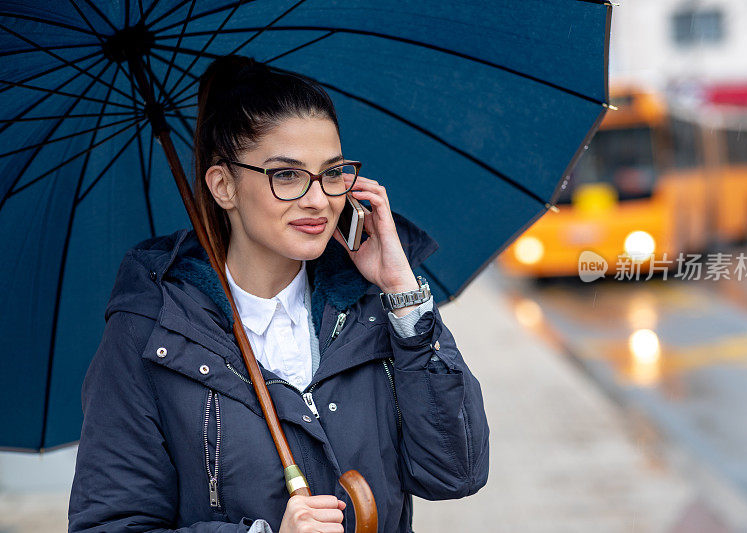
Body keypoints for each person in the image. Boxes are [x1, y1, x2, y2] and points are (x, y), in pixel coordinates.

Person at [68, 54, 489, 533]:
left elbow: (457, 471)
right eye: (286, 175)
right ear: (223, 185)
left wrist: (401, 290)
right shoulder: (150, 329)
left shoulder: (371, 305)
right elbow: (110, 524)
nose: (318, 200)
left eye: (332, 173)